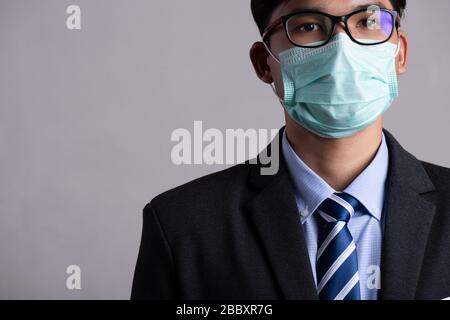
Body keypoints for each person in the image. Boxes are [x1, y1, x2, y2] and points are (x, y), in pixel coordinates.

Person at [131, 0, 450, 300]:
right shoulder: (183, 227)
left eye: (368, 21)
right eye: (309, 27)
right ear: (264, 63)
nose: (342, 48)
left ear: (400, 54)